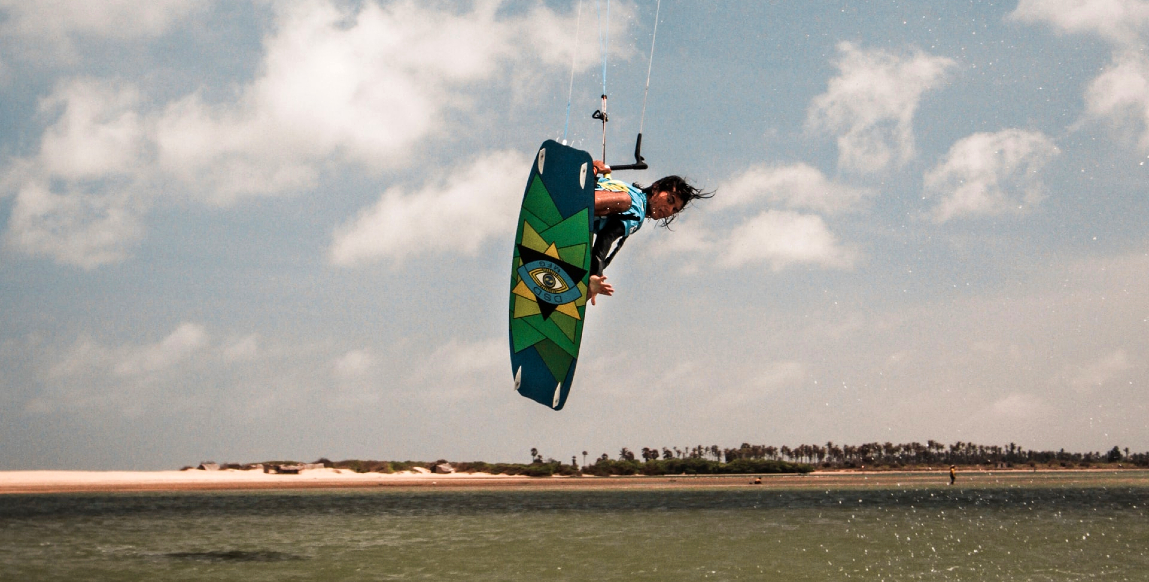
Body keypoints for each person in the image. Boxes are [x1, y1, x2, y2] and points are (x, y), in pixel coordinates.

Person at [587, 160, 712, 304]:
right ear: (656, 188)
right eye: (670, 200)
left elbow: (602, 184)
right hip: (578, 201)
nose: (668, 210)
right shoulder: (636, 210)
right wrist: (594, 275)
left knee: (591, 276)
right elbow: (606, 236)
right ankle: (575, 204)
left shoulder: (630, 188)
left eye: (674, 210)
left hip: (578, 188)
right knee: (624, 200)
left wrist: (596, 169)